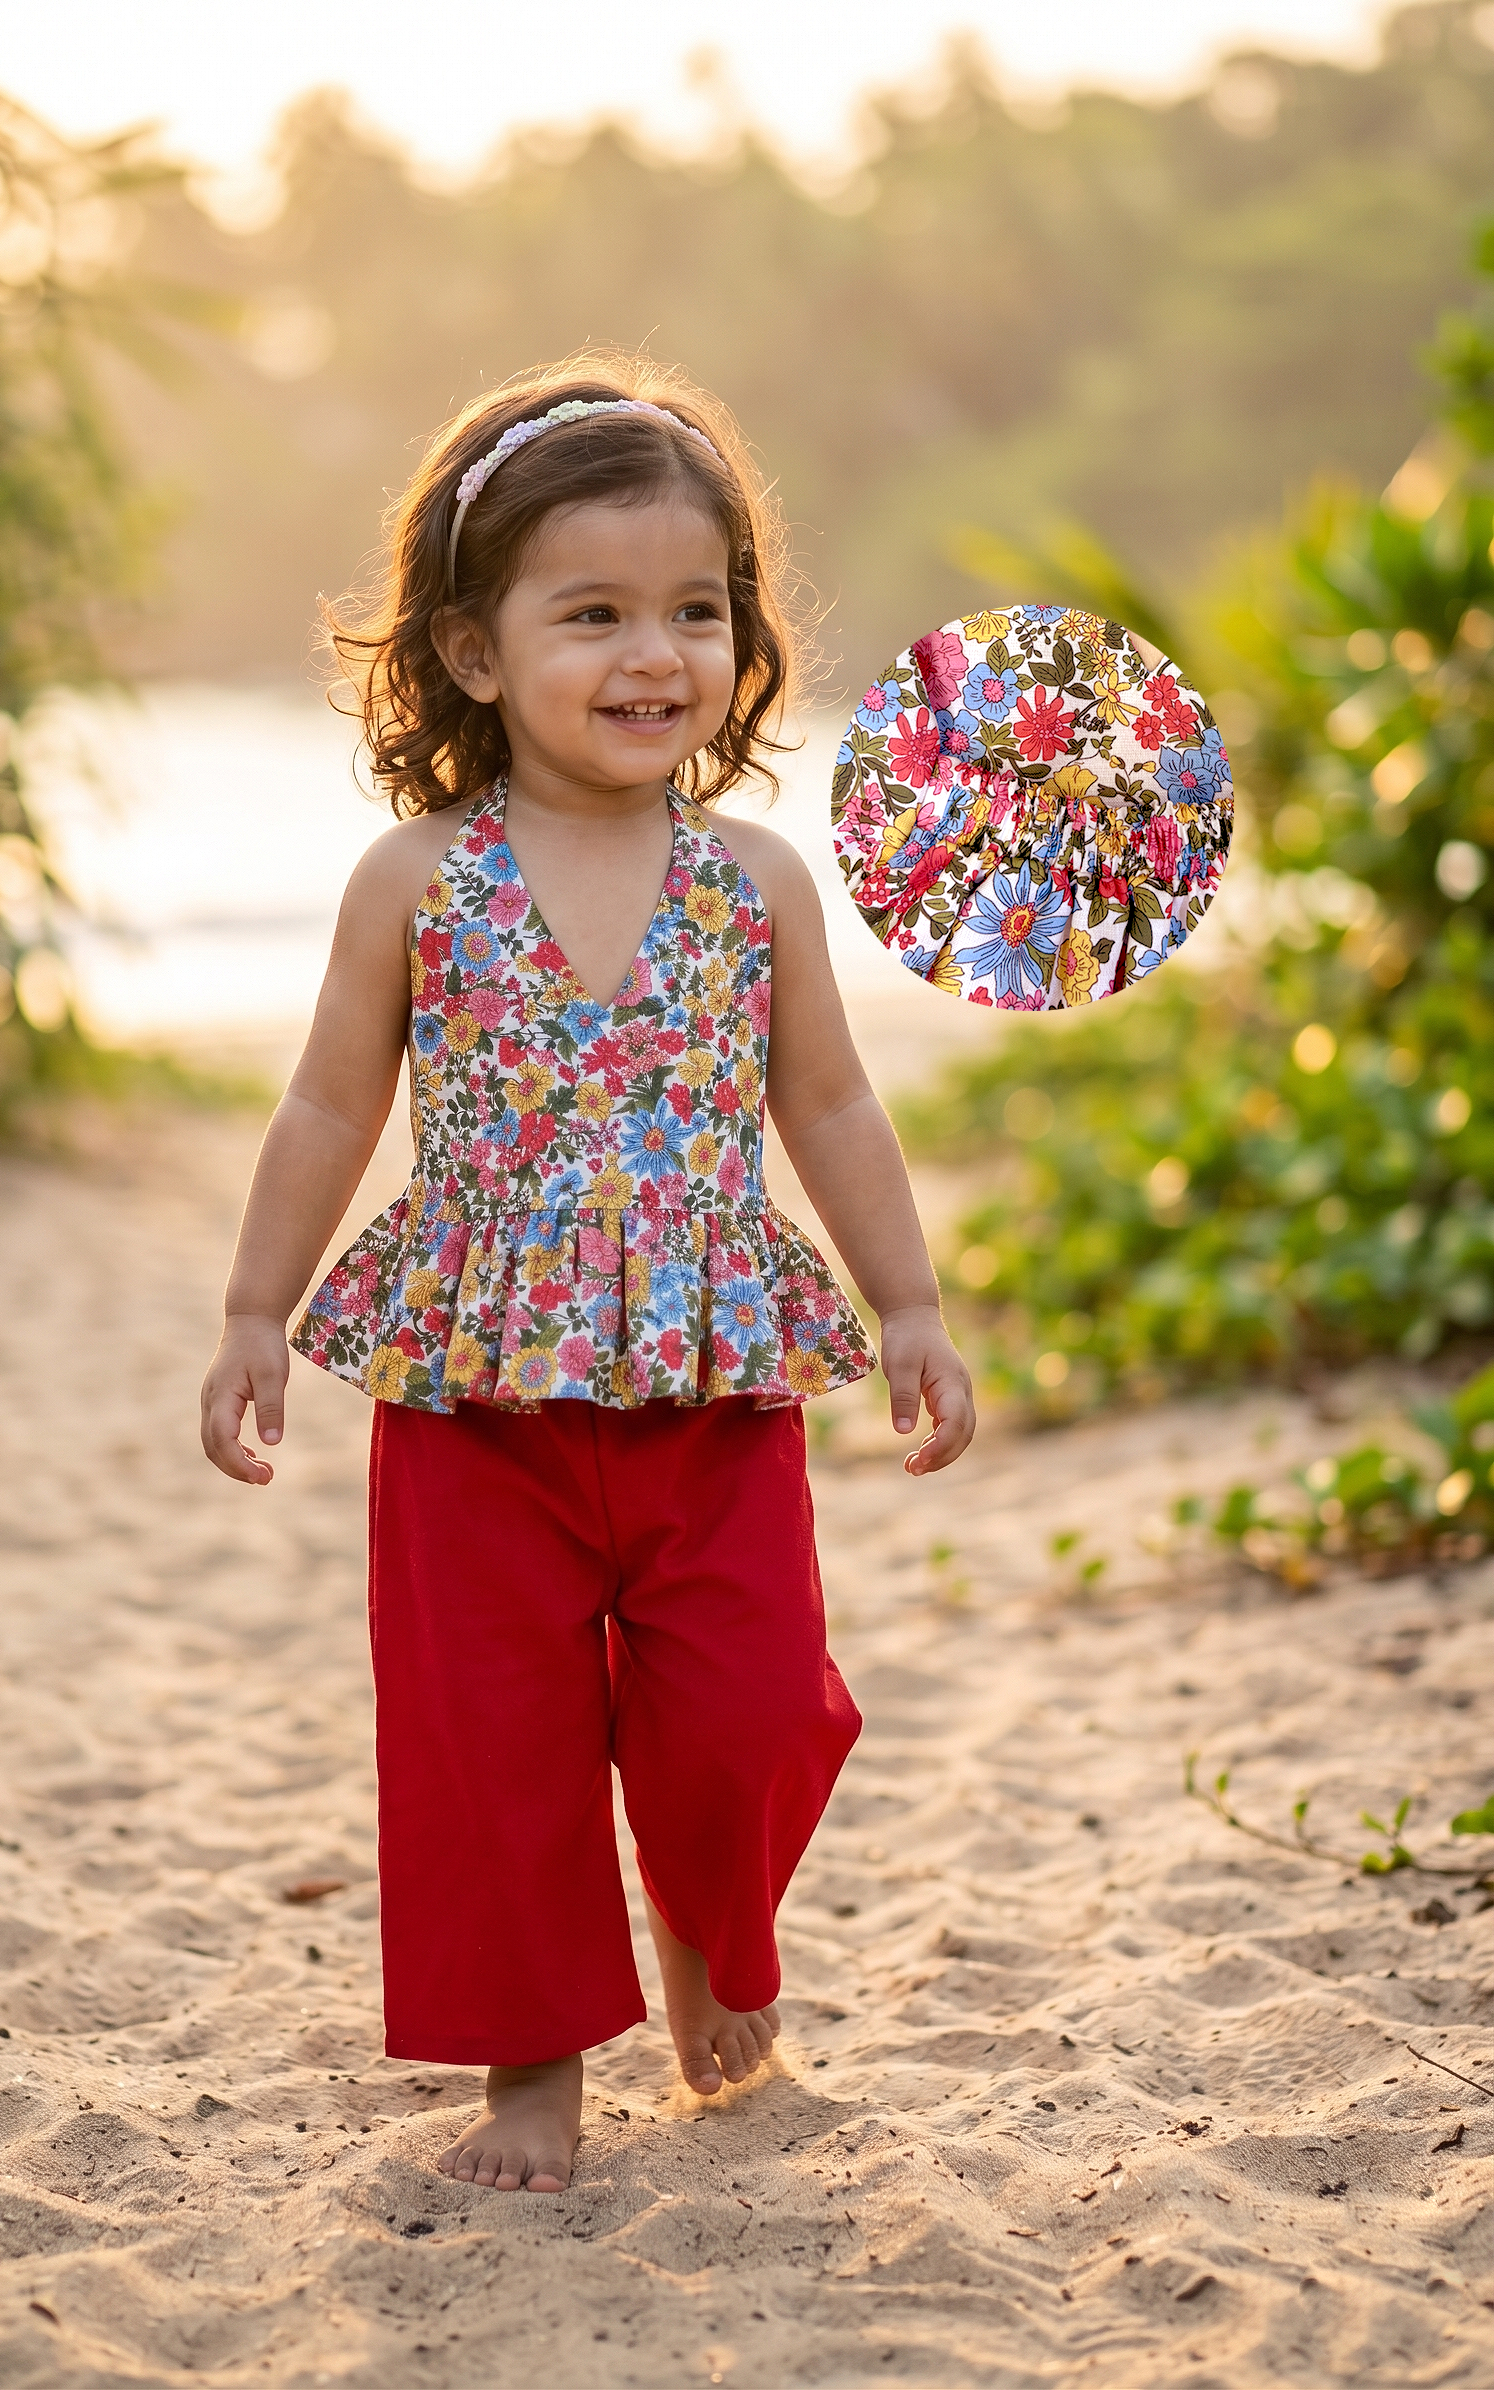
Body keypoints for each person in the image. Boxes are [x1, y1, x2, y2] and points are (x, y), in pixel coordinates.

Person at [200, 359, 975, 2197]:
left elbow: (836, 1102)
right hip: (477, 1402)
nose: (658, 654)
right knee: (495, 1742)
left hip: (712, 1382)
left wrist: (912, 1304)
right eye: (596, 612)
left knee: (757, 1707)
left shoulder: (756, 881)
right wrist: (252, 1308)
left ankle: (711, 1931)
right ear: (474, 653)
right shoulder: (416, 878)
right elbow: (327, 1101)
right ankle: (530, 2067)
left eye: (696, 610)